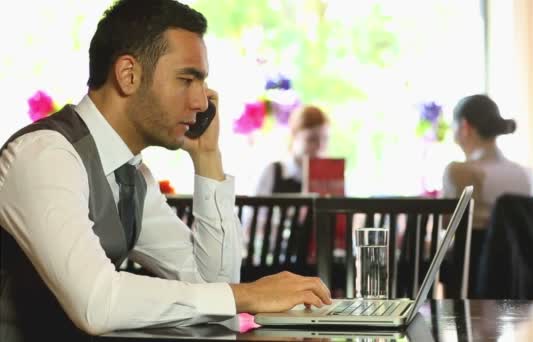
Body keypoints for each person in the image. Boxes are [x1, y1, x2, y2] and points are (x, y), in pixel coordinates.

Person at [0, 1, 331, 340]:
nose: (203, 103)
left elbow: (211, 286)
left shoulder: (133, 176)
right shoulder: (45, 155)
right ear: (129, 75)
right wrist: (246, 294)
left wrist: (207, 158)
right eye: (187, 79)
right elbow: (97, 302)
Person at [441, 94, 532, 296]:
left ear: (464, 126)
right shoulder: (524, 173)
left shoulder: (460, 172)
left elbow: (447, 224)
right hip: (519, 276)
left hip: (474, 275)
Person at [255, 105, 330, 195]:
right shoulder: (274, 172)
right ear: (294, 136)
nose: (320, 146)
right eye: (312, 139)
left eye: (325, 139)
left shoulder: (331, 178)